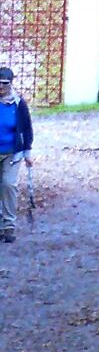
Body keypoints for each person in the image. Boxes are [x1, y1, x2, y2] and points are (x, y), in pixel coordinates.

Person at [0, 67, 31, 243]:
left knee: (8, 185)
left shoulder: (18, 103)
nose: (1, 87)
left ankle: (9, 225)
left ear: (11, 83)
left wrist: (28, 151)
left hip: (13, 152)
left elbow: (26, 128)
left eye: (5, 83)